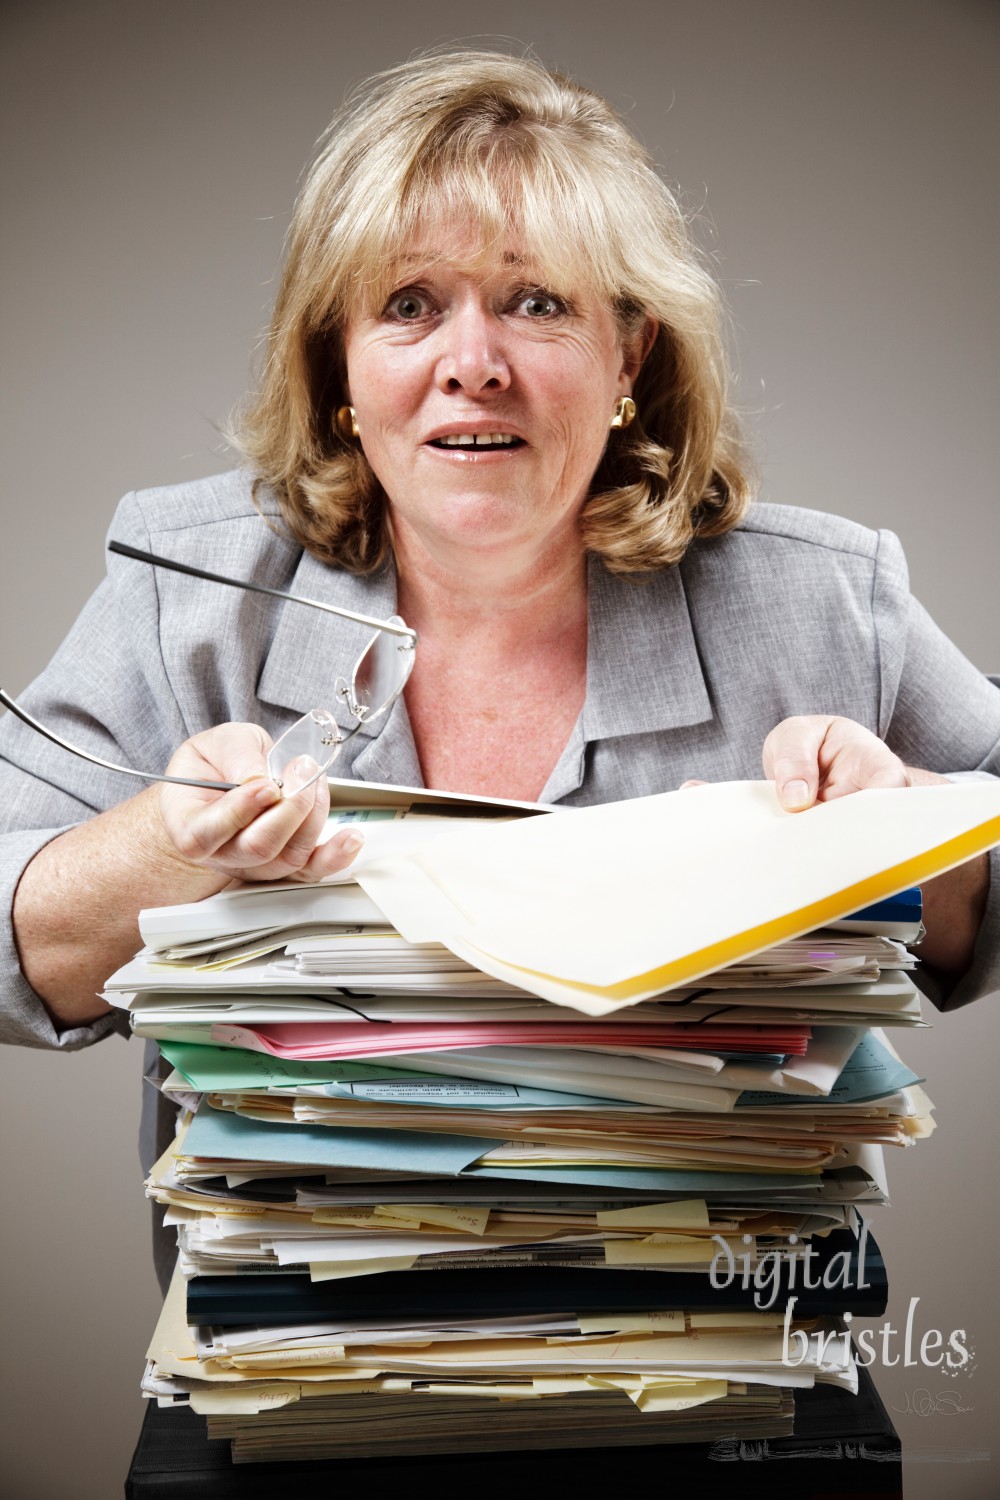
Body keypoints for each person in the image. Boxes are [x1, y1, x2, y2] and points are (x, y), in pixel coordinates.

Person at [1, 51, 997, 1174]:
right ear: (338, 359)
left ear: (629, 352)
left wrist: (910, 829)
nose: (471, 364)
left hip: (728, 1311)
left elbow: (979, 866)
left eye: (535, 302)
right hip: (304, 1330)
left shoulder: (824, 600)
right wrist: (163, 846)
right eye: (408, 305)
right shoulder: (187, 593)